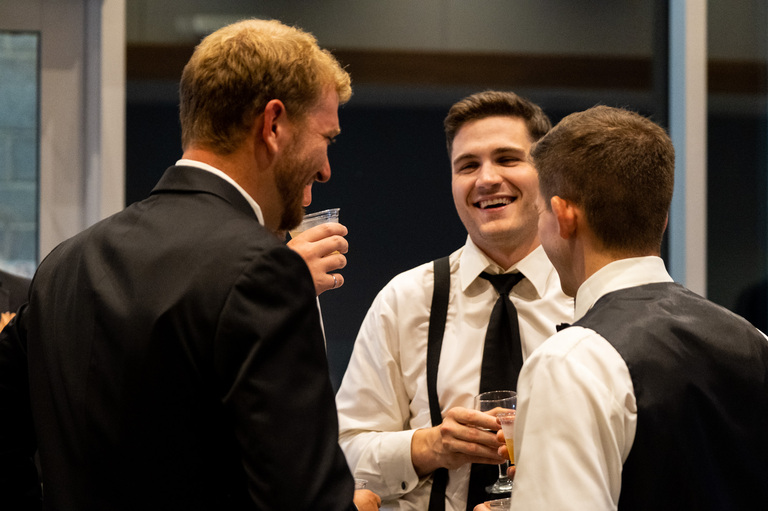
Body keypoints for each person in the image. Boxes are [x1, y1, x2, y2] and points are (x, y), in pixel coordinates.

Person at [0, 18, 380, 511]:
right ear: (273, 124)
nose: (327, 167)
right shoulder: (263, 273)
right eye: (326, 137)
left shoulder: (63, 265)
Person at [503, 105, 768, 510]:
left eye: (539, 212)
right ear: (662, 220)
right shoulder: (755, 342)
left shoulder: (570, 363)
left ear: (563, 216)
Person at [335, 91, 573, 511]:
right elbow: (344, 455)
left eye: (507, 159)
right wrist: (427, 447)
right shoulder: (406, 300)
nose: (486, 179)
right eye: (468, 166)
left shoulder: (586, 300)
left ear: (547, 173)